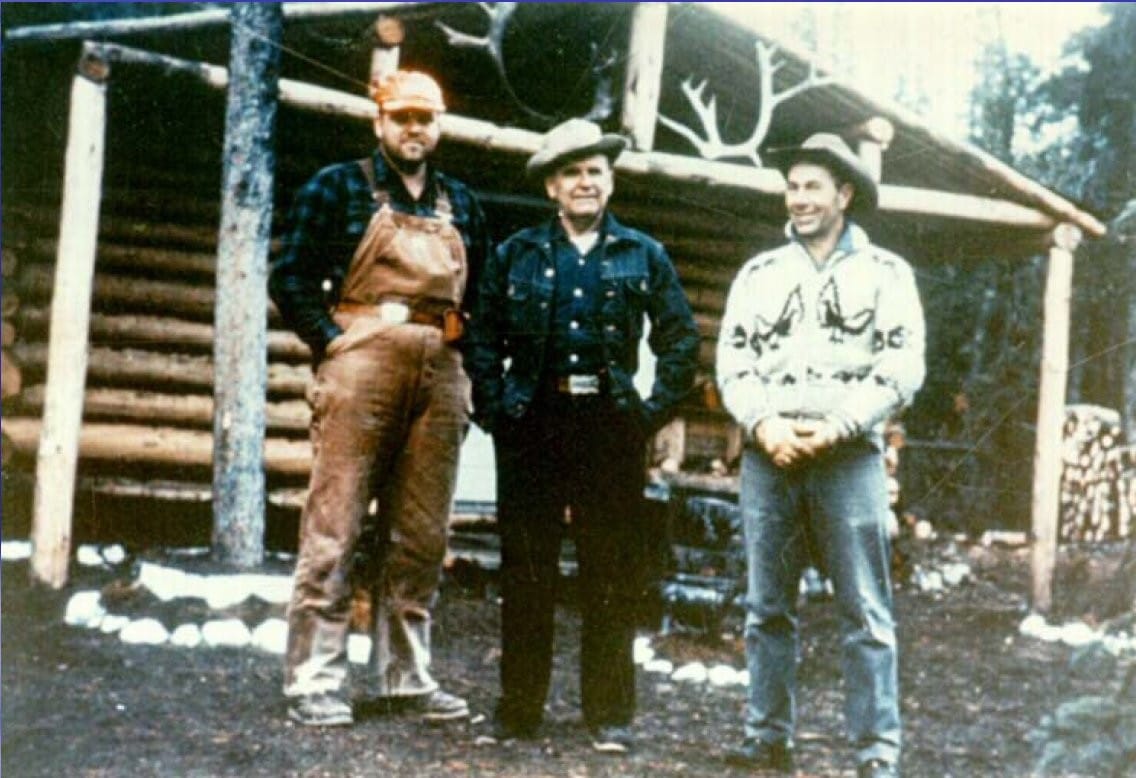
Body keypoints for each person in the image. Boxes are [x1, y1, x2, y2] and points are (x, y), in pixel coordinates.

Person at [465, 118, 700, 754]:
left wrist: (648, 412)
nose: (585, 182)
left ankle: (609, 714)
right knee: (527, 570)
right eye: (571, 173)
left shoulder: (642, 254)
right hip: (532, 427)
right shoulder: (516, 254)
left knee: (610, 573)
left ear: (611, 181)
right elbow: (481, 336)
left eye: (595, 171)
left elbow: (680, 338)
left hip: (609, 429)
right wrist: (496, 408)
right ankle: (519, 709)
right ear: (551, 187)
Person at [270, 70, 489, 727]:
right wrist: (334, 341)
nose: (414, 129)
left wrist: (463, 364)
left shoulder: (461, 202)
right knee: (335, 524)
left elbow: (479, 297)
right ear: (380, 122)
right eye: (402, 117)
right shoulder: (338, 185)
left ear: (440, 124)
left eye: (426, 118)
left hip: (440, 366)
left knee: (421, 533)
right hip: (362, 361)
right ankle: (314, 679)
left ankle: (406, 677)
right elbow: (291, 275)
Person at [716, 133, 925, 778]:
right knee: (766, 607)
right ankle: (767, 739)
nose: (799, 199)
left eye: (813, 187)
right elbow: (733, 362)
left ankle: (876, 751)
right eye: (792, 186)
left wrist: (838, 425)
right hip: (771, 458)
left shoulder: (886, 273)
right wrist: (764, 424)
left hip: (848, 460)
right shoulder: (760, 275)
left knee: (865, 610)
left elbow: (901, 367)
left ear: (845, 195)